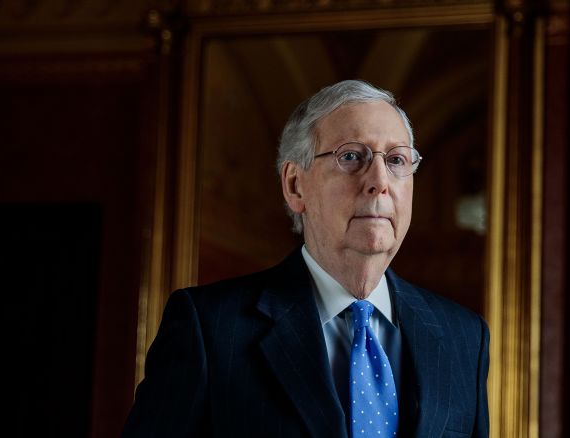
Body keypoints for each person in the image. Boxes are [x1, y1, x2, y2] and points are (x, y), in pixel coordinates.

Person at [122, 80, 489, 437]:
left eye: (396, 160)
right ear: (295, 186)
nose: (380, 181)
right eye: (351, 156)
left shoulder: (465, 338)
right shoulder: (209, 328)